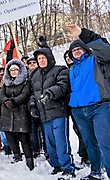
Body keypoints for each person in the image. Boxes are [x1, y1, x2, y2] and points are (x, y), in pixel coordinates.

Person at [66, 24, 110, 179]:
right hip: (79, 111)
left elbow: (105, 50)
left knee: (106, 143)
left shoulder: (96, 61)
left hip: (99, 107)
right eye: (73, 50)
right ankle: (96, 171)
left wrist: (82, 34)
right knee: (90, 144)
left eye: (79, 48)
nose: (77, 51)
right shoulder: (72, 70)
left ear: (86, 49)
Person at [29, 47, 75, 179]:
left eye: (43, 58)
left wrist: (49, 93)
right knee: (49, 143)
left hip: (58, 111)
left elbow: (62, 86)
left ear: (49, 58)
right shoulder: (35, 75)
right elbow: (32, 93)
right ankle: (56, 165)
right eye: (39, 59)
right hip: (43, 114)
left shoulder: (60, 70)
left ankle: (67, 167)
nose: (41, 60)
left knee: (61, 141)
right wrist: (32, 105)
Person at [0, 59, 34, 171]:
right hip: (7, 112)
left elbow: (25, 94)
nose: (13, 72)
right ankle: (17, 155)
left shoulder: (25, 81)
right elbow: (2, 94)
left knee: (24, 137)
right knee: (10, 136)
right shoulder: (6, 82)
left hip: (21, 111)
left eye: (16, 69)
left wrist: (14, 101)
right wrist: (6, 101)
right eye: (11, 70)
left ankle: (29, 159)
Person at [63, 50, 90, 166]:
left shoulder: (81, 68)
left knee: (87, 132)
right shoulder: (66, 71)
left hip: (86, 104)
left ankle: (87, 154)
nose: (68, 59)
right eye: (66, 58)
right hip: (73, 105)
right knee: (79, 130)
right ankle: (84, 153)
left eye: (69, 57)